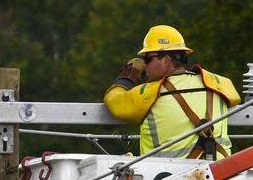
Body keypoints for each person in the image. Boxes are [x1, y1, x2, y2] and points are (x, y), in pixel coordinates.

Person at [103, 24, 241, 159]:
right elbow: (235, 98)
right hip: (222, 176)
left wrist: (131, 74)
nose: (145, 65)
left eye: (148, 59)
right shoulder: (218, 83)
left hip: (164, 178)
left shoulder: (151, 92)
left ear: (166, 60)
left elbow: (113, 100)